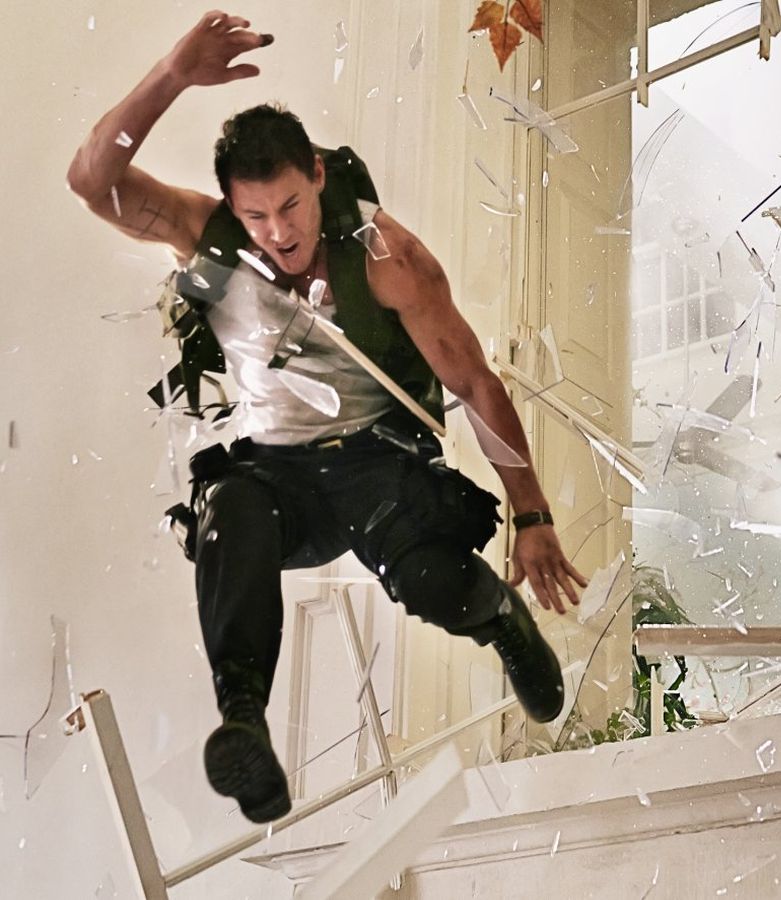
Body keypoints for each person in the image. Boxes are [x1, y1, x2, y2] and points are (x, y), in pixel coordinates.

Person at [67, 11, 587, 824]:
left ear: (316, 175)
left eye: (291, 206)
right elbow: (92, 182)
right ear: (233, 208)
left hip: (376, 465)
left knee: (430, 582)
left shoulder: (389, 259)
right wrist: (172, 73)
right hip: (276, 474)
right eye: (257, 216)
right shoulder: (207, 239)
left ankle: (501, 621)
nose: (279, 234)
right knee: (229, 513)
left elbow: (475, 383)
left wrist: (533, 516)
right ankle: (245, 723)